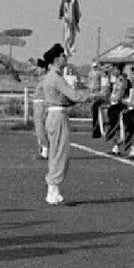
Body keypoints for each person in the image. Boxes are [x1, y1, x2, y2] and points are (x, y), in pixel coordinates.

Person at [38, 43, 84, 205]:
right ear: (57, 58)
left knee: (56, 152)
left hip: (55, 114)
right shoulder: (55, 77)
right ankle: (53, 189)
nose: (66, 58)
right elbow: (73, 95)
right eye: (63, 56)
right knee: (60, 152)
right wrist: (91, 94)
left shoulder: (53, 76)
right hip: (57, 116)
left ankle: (53, 188)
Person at [32, 58, 50, 159]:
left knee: (40, 127)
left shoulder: (46, 79)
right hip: (38, 104)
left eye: (39, 68)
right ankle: (43, 149)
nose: (37, 70)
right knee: (39, 127)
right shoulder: (42, 79)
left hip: (42, 104)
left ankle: (45, 149)